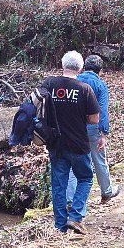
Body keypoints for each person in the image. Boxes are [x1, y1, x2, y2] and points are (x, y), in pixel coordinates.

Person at [42, 51, 99, 234]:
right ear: (81, 68)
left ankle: (60, 226)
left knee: (59, 185)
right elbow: (94, 119)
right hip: (78, 144)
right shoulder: (84, 89)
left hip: (56, 144)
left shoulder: (49, 84)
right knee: (86, 178)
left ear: (62, 65)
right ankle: (75, 217)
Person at [67, 55, 120, 215]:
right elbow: (102, 110)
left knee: (73, 164)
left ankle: (70, 200)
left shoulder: (74, 81)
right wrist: (104, 133)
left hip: (74, 128)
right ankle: (107, 191)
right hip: (93, 128)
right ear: (100, 71)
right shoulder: (100, 85)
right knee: (99, 160)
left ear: (84, 68)